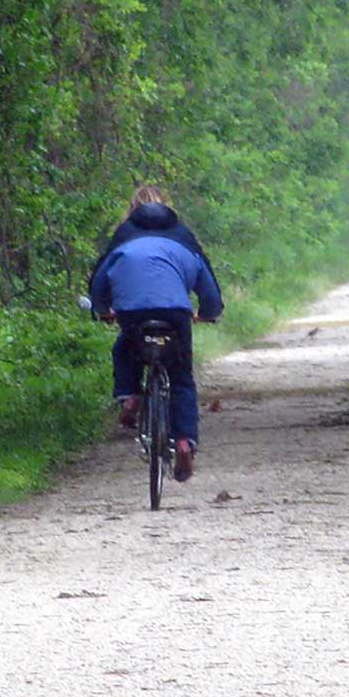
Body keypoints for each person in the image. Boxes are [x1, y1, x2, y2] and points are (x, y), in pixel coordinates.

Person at [88, 186, 224, 480]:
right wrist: (209, 313)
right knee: (181, 378)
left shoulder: (123, 236)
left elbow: (99, 281)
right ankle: (185, 440)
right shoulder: (184, 238)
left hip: (133, 312)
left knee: (126, 347)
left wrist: (101, 309)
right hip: (175, 313)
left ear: (131, 209)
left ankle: (130, 397)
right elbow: (208, 286)